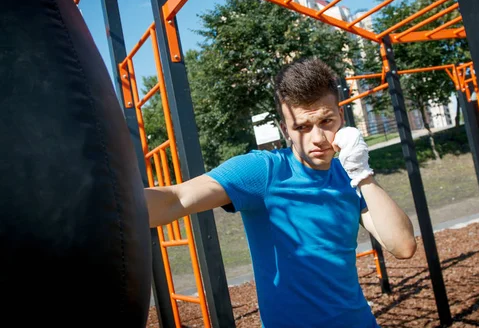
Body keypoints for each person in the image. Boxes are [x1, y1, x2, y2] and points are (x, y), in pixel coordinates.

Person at [144, 57, 416, 328]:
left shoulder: (350, 173)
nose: (318, 138)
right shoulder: (263, 171)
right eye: (302, 127)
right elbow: (176, 199)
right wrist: (106, 208)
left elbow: (402, 246)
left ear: (341, 118)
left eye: (326, 121)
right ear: (285, 130)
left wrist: (363, 174)